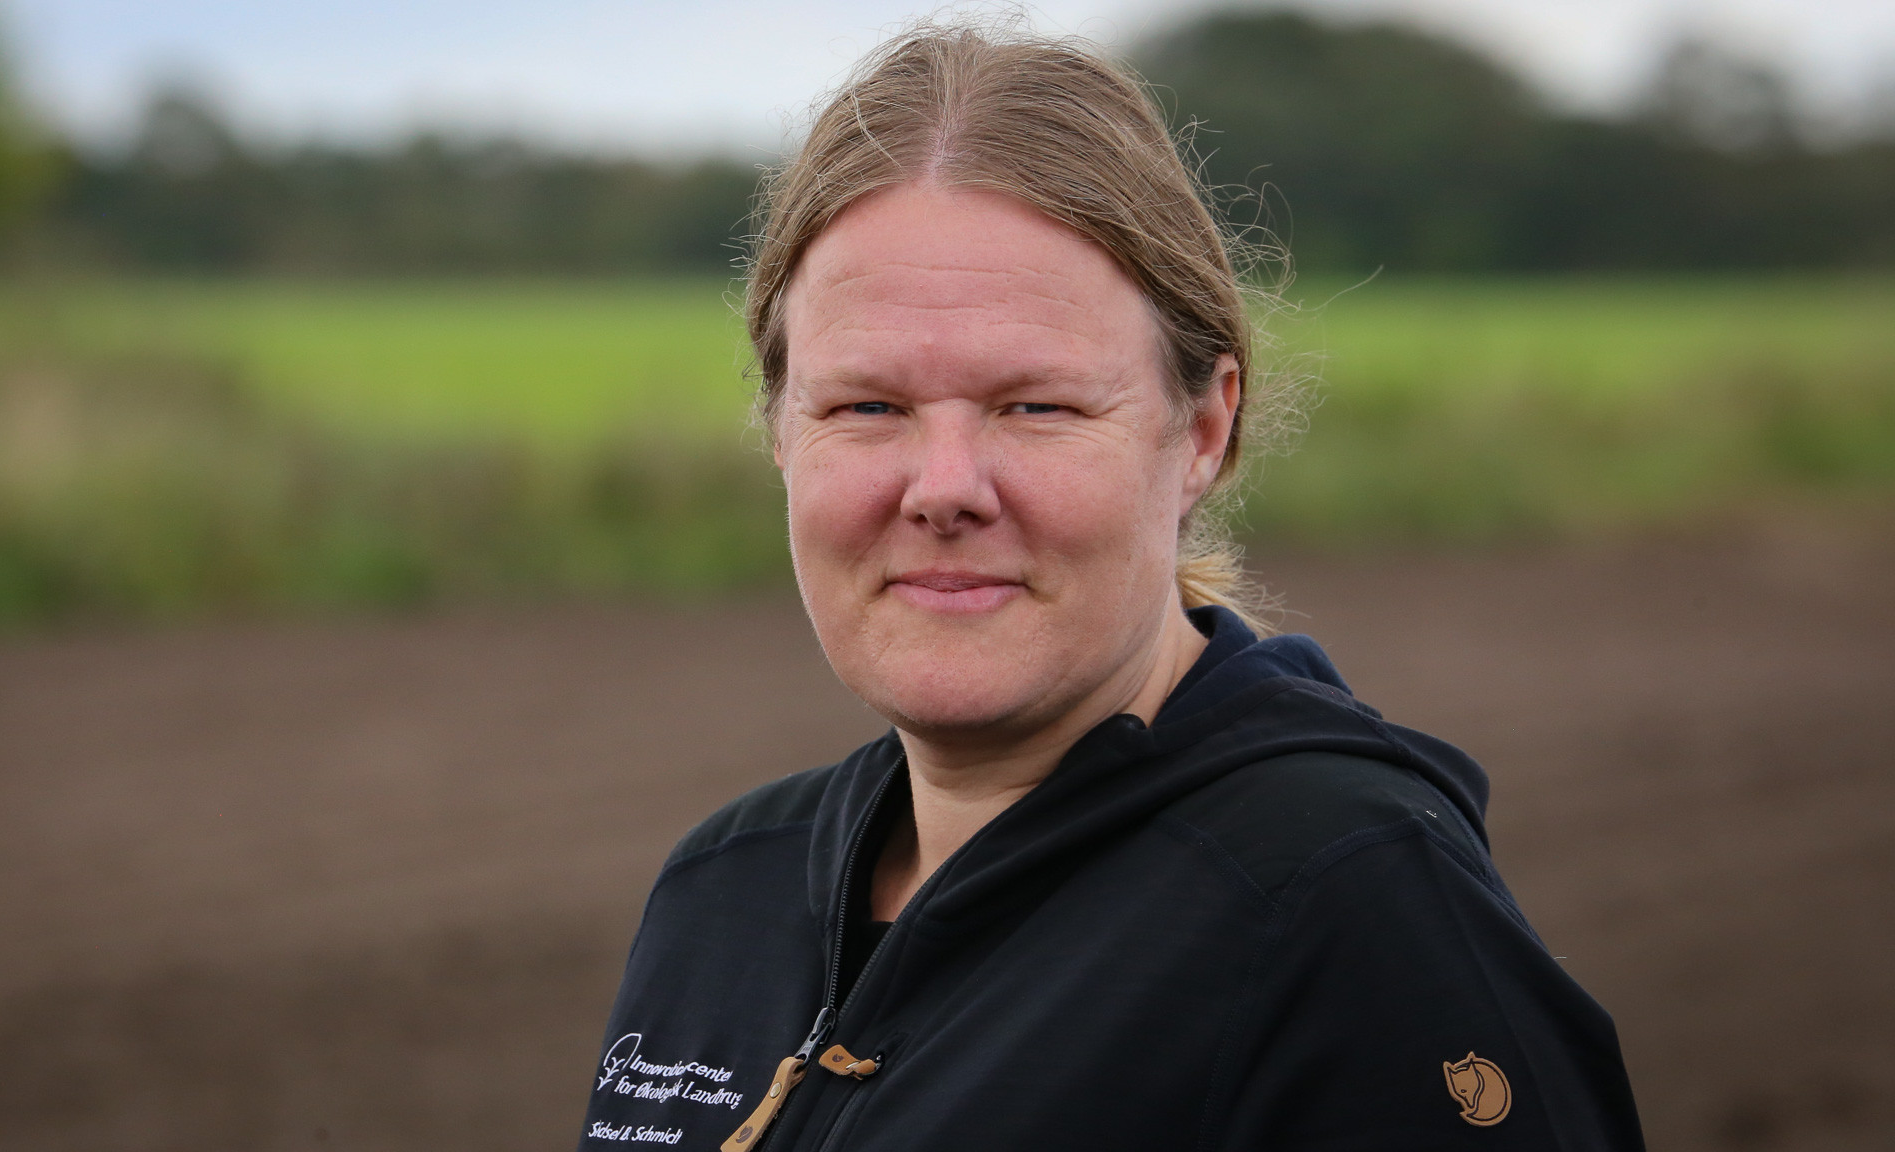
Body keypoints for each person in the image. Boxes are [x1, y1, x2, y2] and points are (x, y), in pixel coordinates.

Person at [578, 22, 1644, 1152]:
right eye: (865, 407)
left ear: (1199, 428)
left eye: (1034, 406)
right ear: (781, 434)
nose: (944, 489)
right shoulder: (722, 893)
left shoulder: (1344, 913)